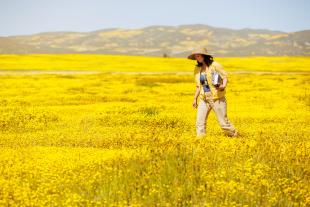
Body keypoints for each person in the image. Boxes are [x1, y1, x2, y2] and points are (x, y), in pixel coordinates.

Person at [188, 47, 238, 137]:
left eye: (198, 56)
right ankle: (201, 142)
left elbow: (225, 77)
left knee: (224, 124)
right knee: (200, 123)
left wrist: (223, 86)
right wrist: (195, 98)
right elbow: (198, 86)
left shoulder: (215, 65)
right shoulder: (197, 69)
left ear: (204, 56)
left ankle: (236, 136)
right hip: (204, 98)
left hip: (217, 98)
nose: (197, 58)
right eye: (195, 56)